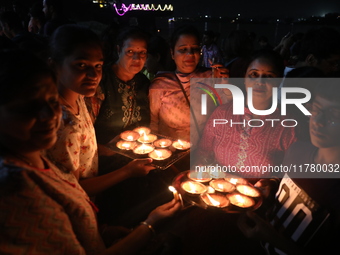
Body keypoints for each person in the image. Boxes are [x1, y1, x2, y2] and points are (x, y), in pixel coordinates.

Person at [0, 48, 180, 255]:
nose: (50, 115)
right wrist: (150, 225)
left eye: (51, 101)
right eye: (28, 107)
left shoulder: (37, 162)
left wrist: (101, 233)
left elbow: (68, 216)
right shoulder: (15, 192)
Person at [46, 24, 155, 197]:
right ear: (54, 65)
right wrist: (125, 171)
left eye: (98, 66)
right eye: (81, 65)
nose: (93, 75)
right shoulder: (62, 125)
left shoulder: (79, 99)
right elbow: (72, 191)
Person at [238, 82, 340, 254]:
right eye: (316, 109)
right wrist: (268, 188)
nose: (318, 121)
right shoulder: (297, 150)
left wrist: (274, 239)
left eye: (334, 115)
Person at [195, 50, 296, 180]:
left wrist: (272, 183)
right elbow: (204, 151)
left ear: (279, 81)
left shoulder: (288, 126)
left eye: (269, 76)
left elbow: (290, 173)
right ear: (244, 78)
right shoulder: (222, 114)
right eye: (254, 74)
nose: (260, 81)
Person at [149, 25, 229, 148]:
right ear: (172, 53)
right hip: (171, 154)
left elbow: (228, 114)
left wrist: (226, 86)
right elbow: (153, 123)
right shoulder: (160, 85)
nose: (190, 54)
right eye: (183, 50)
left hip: (204, 153)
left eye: (195, 49)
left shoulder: (211, 78)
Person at [89, 26, 151, 145]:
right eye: (130, 51)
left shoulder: (144, 82)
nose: (136, 58)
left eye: (142, 52)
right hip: (103, 153)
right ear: (119, 50)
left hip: (138, 152)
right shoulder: (101, 79)